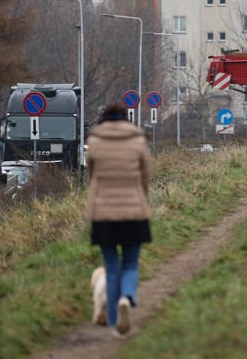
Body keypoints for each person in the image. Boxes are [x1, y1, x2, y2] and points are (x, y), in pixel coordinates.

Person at [85, 101, 152, 335]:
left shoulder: (94, 141)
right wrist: (140, 197)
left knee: (111, 268)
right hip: (133, 212)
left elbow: (91, 176)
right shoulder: (138, 140)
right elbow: (146, 176)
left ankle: (114, 324)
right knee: (131, 263)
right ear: (127, 119)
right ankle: (128, 297)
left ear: (103, 119)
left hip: (103, 214)